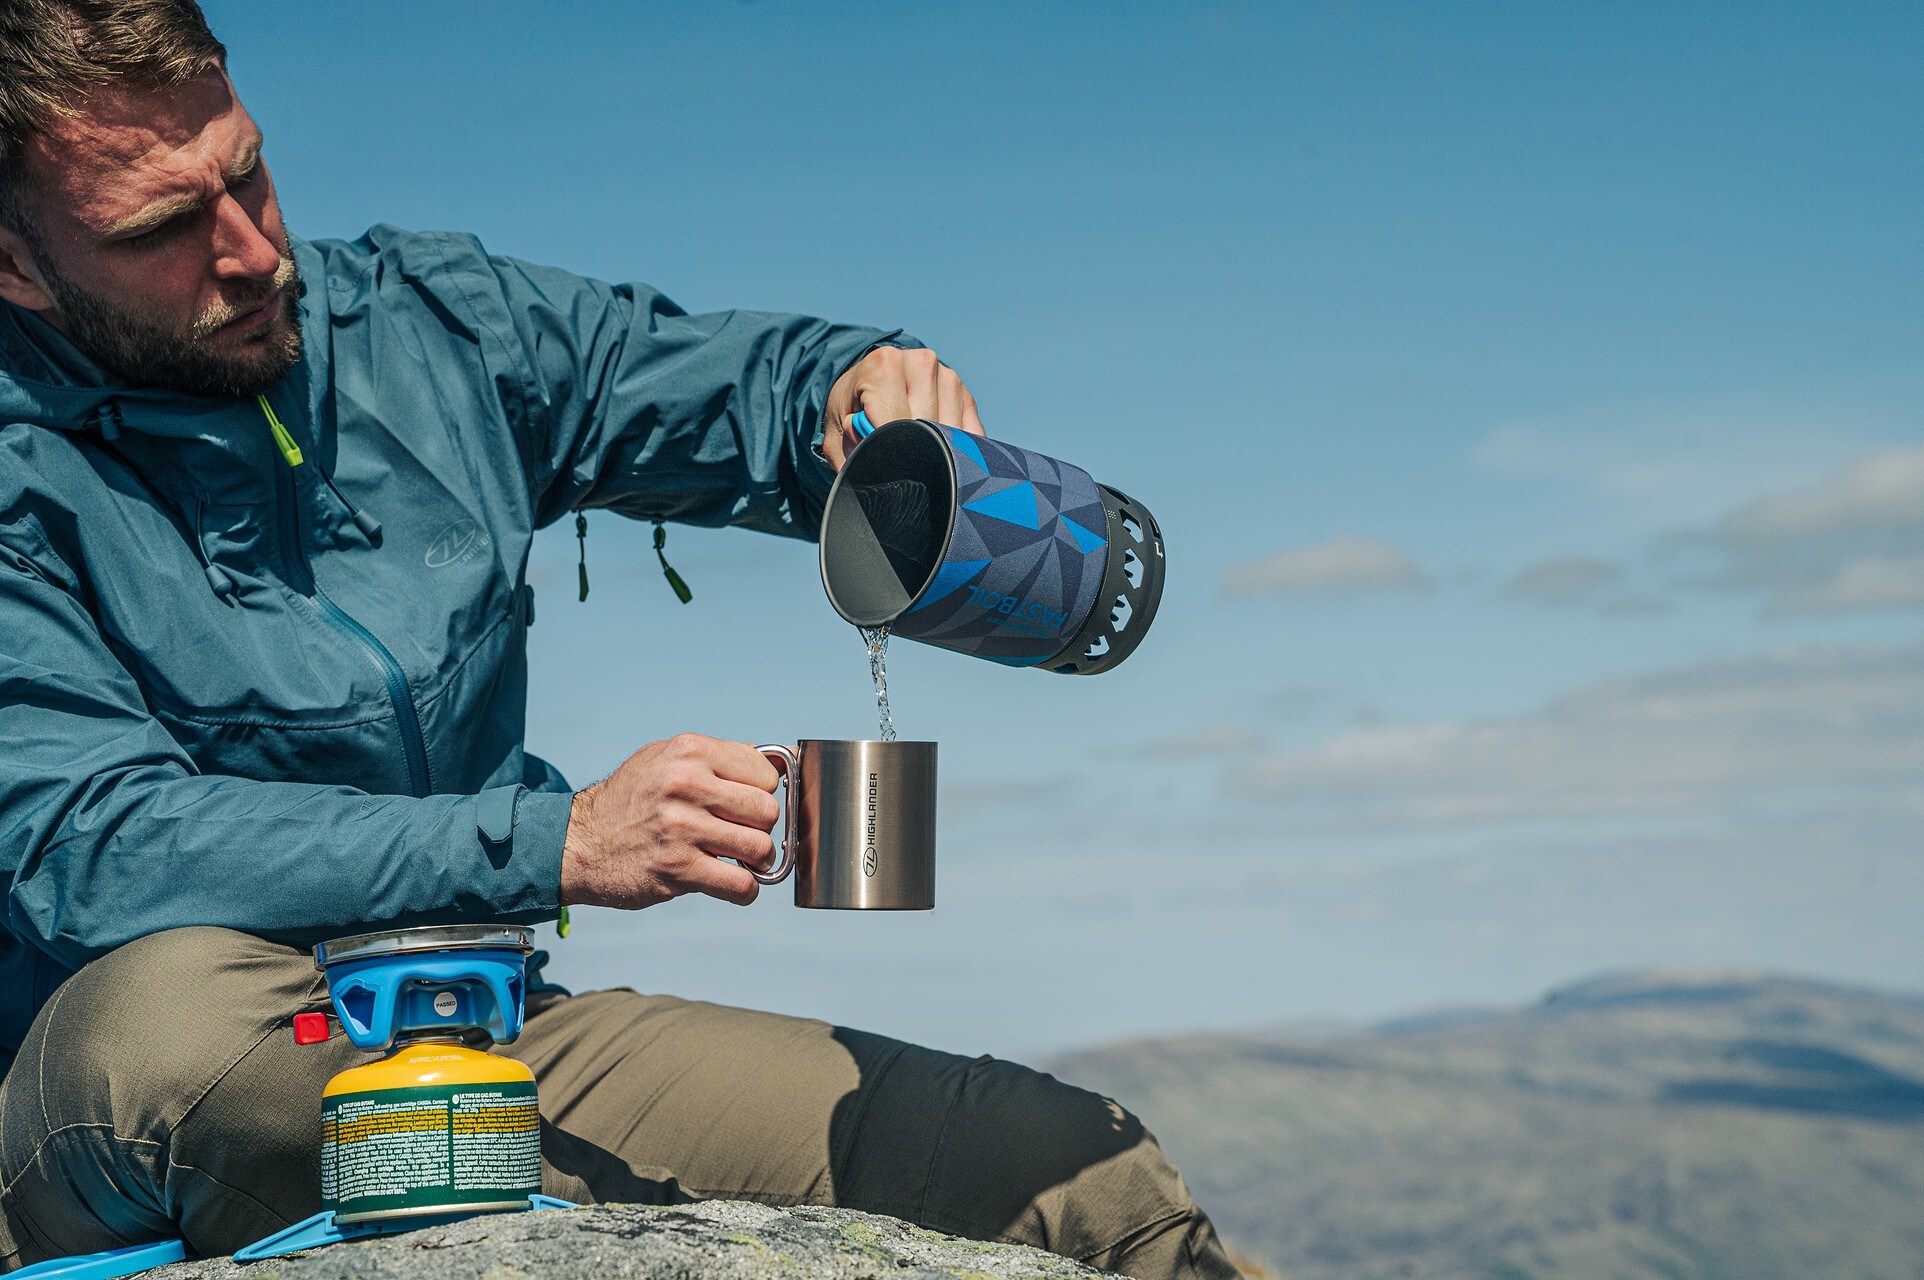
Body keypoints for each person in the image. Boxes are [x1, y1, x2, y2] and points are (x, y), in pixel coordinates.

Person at [0, 3, 1238, 1278]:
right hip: (116, 1088)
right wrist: (562, 840)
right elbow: (93, 845)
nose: (256, 252)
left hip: (476, 1030)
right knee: (163, 1030)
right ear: (14, 261)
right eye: (163, 228)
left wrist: (851, 385)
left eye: (248, 169)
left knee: (1068, 1174)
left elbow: (720, 386)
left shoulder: (430, 329)